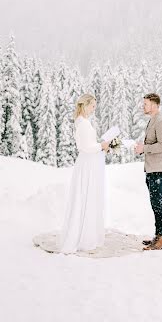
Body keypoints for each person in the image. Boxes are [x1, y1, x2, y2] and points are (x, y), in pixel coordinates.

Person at [58, 94, 110, 254]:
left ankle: (85, 233)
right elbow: (86, 147)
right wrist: (102, 145)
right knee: (85, 196)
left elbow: (88, 146)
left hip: (88, 163)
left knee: (86, 196)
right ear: (85, 105)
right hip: (87, 163)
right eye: (92, 105)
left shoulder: (82, 122)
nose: (94, 109)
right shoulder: (83, 124)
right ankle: (83, 236)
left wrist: (101, 146)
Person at [134, 93, 162, 251]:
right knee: (159, 201)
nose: (143, 106)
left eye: (146, 104)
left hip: (160, 168)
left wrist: (145, 148)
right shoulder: (153, 120)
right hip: (154, 168)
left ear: (155, 105)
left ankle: (160, 238)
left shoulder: (161, 121)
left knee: (157, 202)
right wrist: (142, 148)